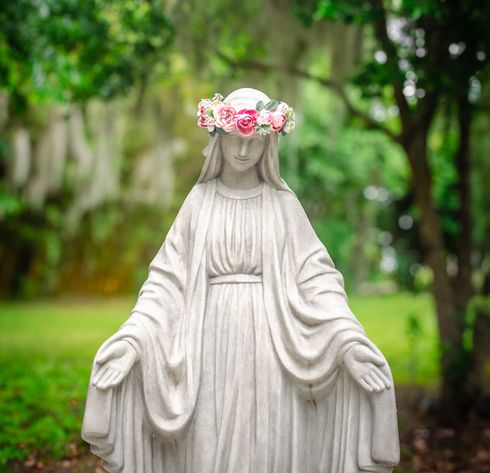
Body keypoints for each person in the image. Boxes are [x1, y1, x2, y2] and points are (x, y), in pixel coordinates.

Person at [82, 88, 399, 473]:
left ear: (268, 145)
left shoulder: (283, 204)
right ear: (220, 138)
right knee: (207, 447)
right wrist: (134, 339)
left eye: (255, 141)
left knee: (267, 443)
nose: (244, 151)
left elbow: (317, 278)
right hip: (207, 344)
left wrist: (347, 341)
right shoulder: (199, 202)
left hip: (272, 343)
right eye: (236, 139)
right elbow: (166, 281)